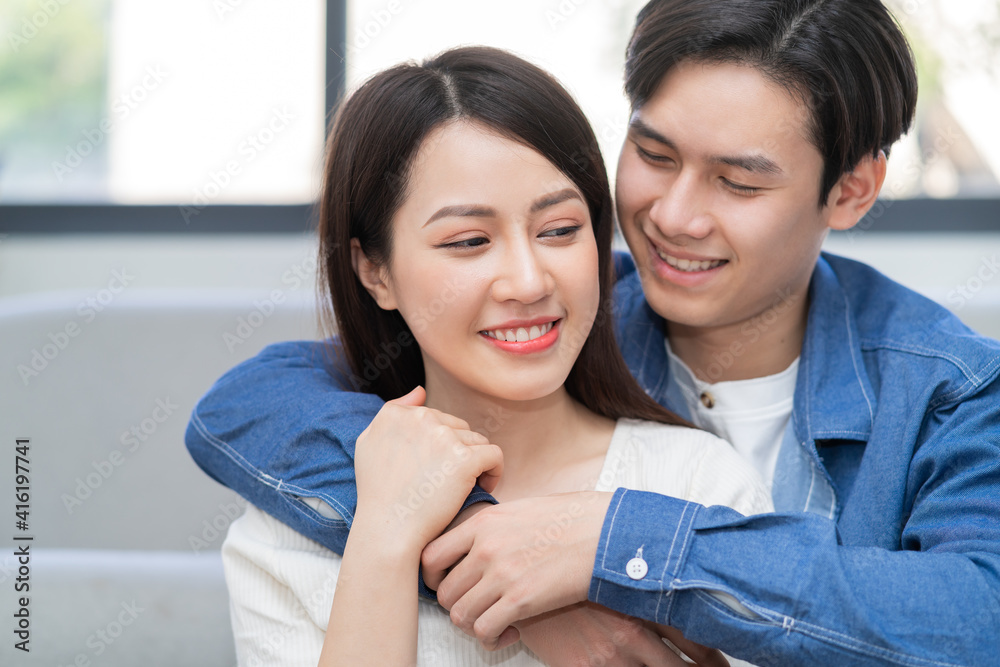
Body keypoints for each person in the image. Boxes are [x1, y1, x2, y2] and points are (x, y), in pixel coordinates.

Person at [187, 1, 1000, 665]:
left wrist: (616, 553)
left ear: (852, 191)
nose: (673, 217)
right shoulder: (566, 304)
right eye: (653, 153)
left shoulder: (949, 394)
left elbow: (981, 615)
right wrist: (485, 541)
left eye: (739, 181)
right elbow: (255, 399)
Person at [217, 45, 772, 666]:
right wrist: (383, 539)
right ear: (375, 271)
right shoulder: (290, 525)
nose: (529, 282)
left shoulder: (701, 486)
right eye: (469, 241)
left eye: (559, 230)